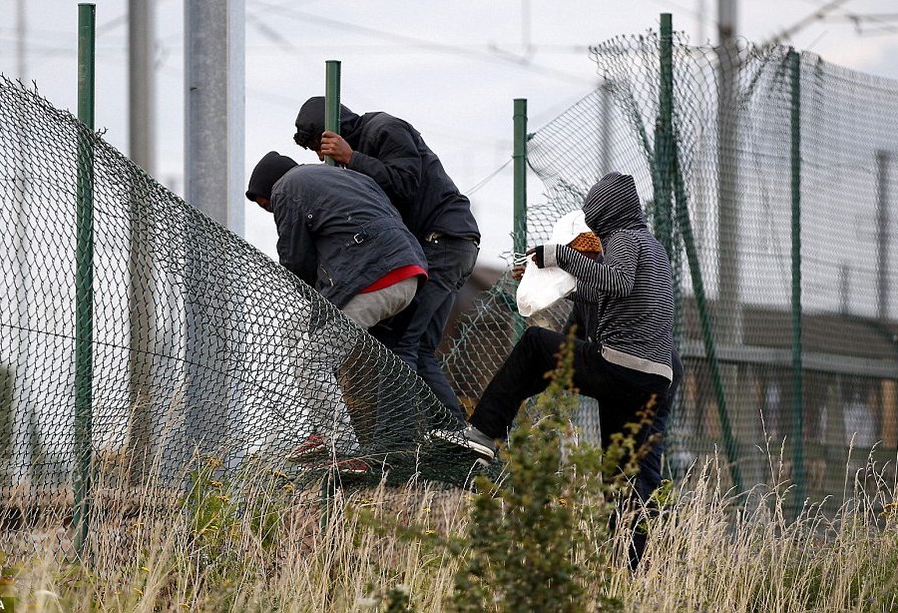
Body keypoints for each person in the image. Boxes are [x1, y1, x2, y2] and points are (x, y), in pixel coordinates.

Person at [432, 171, 678, 500]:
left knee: (535, 344)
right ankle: (631, 552)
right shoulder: (652, 247)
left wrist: (560, 255)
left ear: (605, 213)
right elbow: (603, 292)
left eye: (594, 219)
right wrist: (544, 277)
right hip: (651, 379)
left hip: (623, 365)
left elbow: (617, 282)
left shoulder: (624, 238)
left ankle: (483, 433)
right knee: (622, 479)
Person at [293, 98, 479, 427]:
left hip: (442, 242)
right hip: (448, 244)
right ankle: (455, 435)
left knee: (398, 342)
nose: (321, 158)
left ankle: (396, 443)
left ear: (332, 133)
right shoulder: (363, 146)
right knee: (419, 347)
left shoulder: (385, 129)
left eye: (318, 148)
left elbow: (406, 183)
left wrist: (352, 158)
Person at [246, 151, 428, 469]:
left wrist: (309, 292)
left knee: (311, 362)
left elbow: (296, 260)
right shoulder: (345, 178)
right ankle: (323, 429)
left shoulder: (286, 188)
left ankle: (344, 451)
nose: (271, 210)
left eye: (267, 206)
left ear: (269, 189)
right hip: (405, 274)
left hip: (375, 279)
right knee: (294, 328)